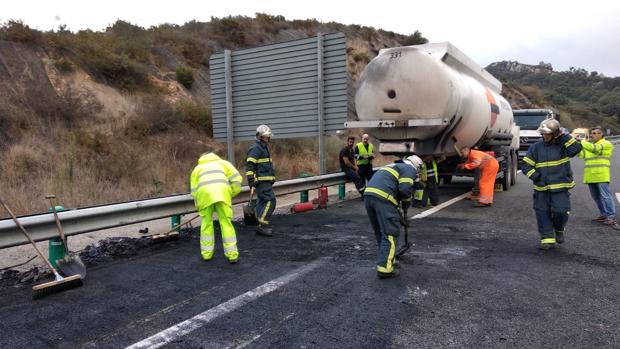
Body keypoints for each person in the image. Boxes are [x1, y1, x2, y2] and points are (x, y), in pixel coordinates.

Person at [521, 119, 582, 250]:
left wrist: (563, 136)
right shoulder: (536, 147)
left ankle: (559, 229)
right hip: (541, 188)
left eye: (547, 134)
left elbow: (576, 149)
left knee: (561, 212)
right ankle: (547, 239)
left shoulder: (563, 146)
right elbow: (525, 165)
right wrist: (536, 177)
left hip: (560, 187)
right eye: (543, 134)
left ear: (555, 133)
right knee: (542, 212)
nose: (544, 136)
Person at [364, 155, 422, 278]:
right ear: (416, 165)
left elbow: (392, 194)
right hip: (383, 198)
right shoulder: (409, 168)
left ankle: (388, 260)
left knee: (381, 232)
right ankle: (385, 269)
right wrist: (407, 202)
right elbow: (405, 189)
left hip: (369, 196)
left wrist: (399, 216)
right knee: (390, 233)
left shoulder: (394, 166)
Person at [190, 152, 242, 263]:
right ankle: (232, 255)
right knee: (226, 223)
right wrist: (231, 193)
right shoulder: (223, 163)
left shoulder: (197, 168)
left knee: (206, 224)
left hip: (204, 196)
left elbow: (194, 191)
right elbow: (237, 179)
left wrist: (199, 205)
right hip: (222, 194)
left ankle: (207, 255)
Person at [578, 126, 616, 226]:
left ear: (601, 134)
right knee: (596, 197)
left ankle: (611, 217)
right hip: (590, 176)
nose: (592, 135)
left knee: (606, 196)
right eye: (592, 133)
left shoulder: (605, 143)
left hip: (601, 175)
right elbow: (581, 155)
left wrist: (582, 142)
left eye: (595, 133)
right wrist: (575, 144)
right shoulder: (589, 145)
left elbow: (595, 149)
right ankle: (603, 214)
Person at [246, 125, 276, 237]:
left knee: (262, 202)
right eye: (266, 136)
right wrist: (250, 180)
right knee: (270, 201)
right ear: (260, 137)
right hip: (261, 182)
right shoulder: (256, 148)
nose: (268, 138)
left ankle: (259, 224)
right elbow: (250, 165)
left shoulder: (263, 147)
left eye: (268, 136)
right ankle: (262, 226)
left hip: (265, 181)